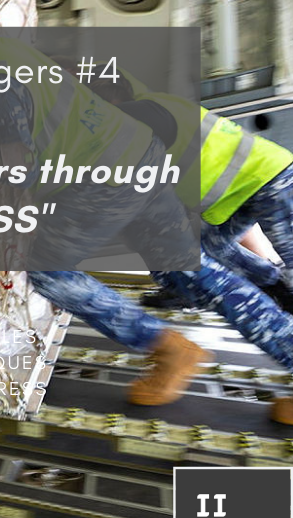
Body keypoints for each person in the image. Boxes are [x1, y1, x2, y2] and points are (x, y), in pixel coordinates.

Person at [0, 33, 209, 407]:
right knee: (189, 266)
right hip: (140, 151)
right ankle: (270, 305)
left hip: (105, 175)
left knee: (47, 269)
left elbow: (15, 170)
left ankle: (163, 345)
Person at [88, 74, 293, 423]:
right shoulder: (154, 105)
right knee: (210, 250)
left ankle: (277, 294)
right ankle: (276, 288)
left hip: (270, 182)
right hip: (243, 191)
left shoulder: (140, 117)